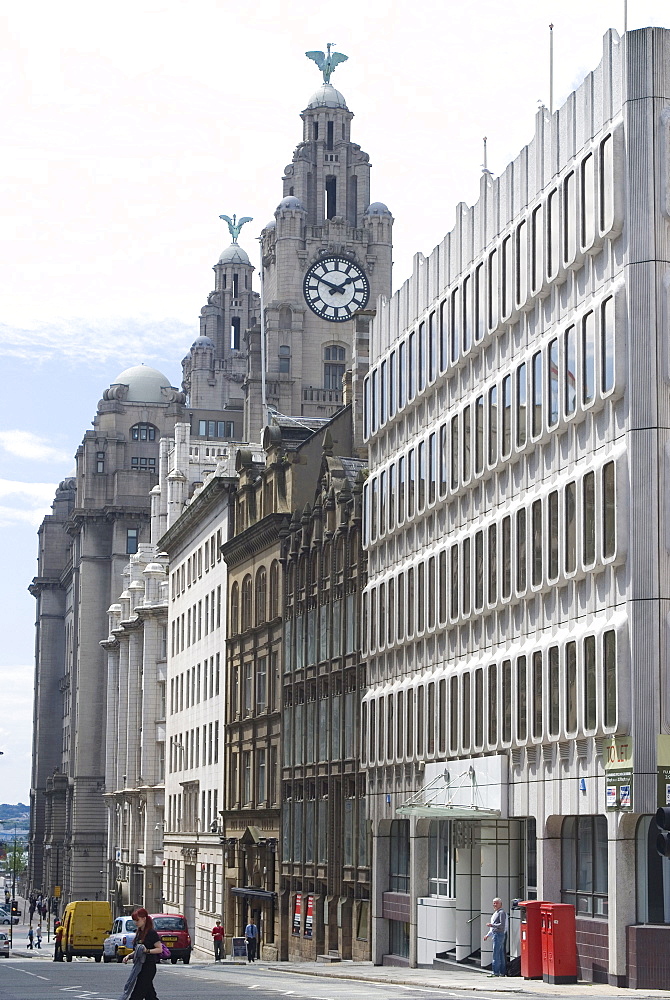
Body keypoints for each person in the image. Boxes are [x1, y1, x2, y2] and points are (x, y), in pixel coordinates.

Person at [121, 907, 163, 1000]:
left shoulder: (151, 933)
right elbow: (137, 950)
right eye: (134, 920)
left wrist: (147, 951)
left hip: (148, 967)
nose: (136, 923)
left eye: (137, 920)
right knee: (150, 996)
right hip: (140, 966)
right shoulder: (139, 933)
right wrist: (129, 956)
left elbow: (159, 949)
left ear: (144, 919)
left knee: (137, 994)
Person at [484, 897, 507, 977]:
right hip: (496, 934)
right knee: (500, 954)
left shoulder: (501, 913)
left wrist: (492, 925)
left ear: (500, 904)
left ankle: (496, 972)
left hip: (499, 934)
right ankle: (502, 972)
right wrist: (488, 935)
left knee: (496, 954)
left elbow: (502, 925)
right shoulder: (497, 913)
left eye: (496, 903)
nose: (494, 905)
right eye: (494, 903)